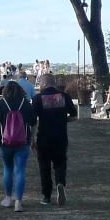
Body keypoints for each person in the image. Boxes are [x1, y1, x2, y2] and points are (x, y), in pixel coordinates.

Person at [31, 73, 77, 206]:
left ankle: (46, 196)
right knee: (60, 163)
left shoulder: (38, 98)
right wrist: (64, 120)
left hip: (44, 137)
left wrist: (32, 138)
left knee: (44, 167)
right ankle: (60, 183)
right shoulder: (64, 96)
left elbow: (33, 121)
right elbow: (74, 116)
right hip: (61, 137)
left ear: (43, 84)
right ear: (54, 82)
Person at [0, 79, 36, 212]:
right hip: (23, 142)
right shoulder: (26, 104)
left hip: (5, 143)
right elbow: (33, 122)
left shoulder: (1, 104)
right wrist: (33, 138)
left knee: (8, 169)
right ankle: (18, 202)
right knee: (20, 170)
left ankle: (8, 198)